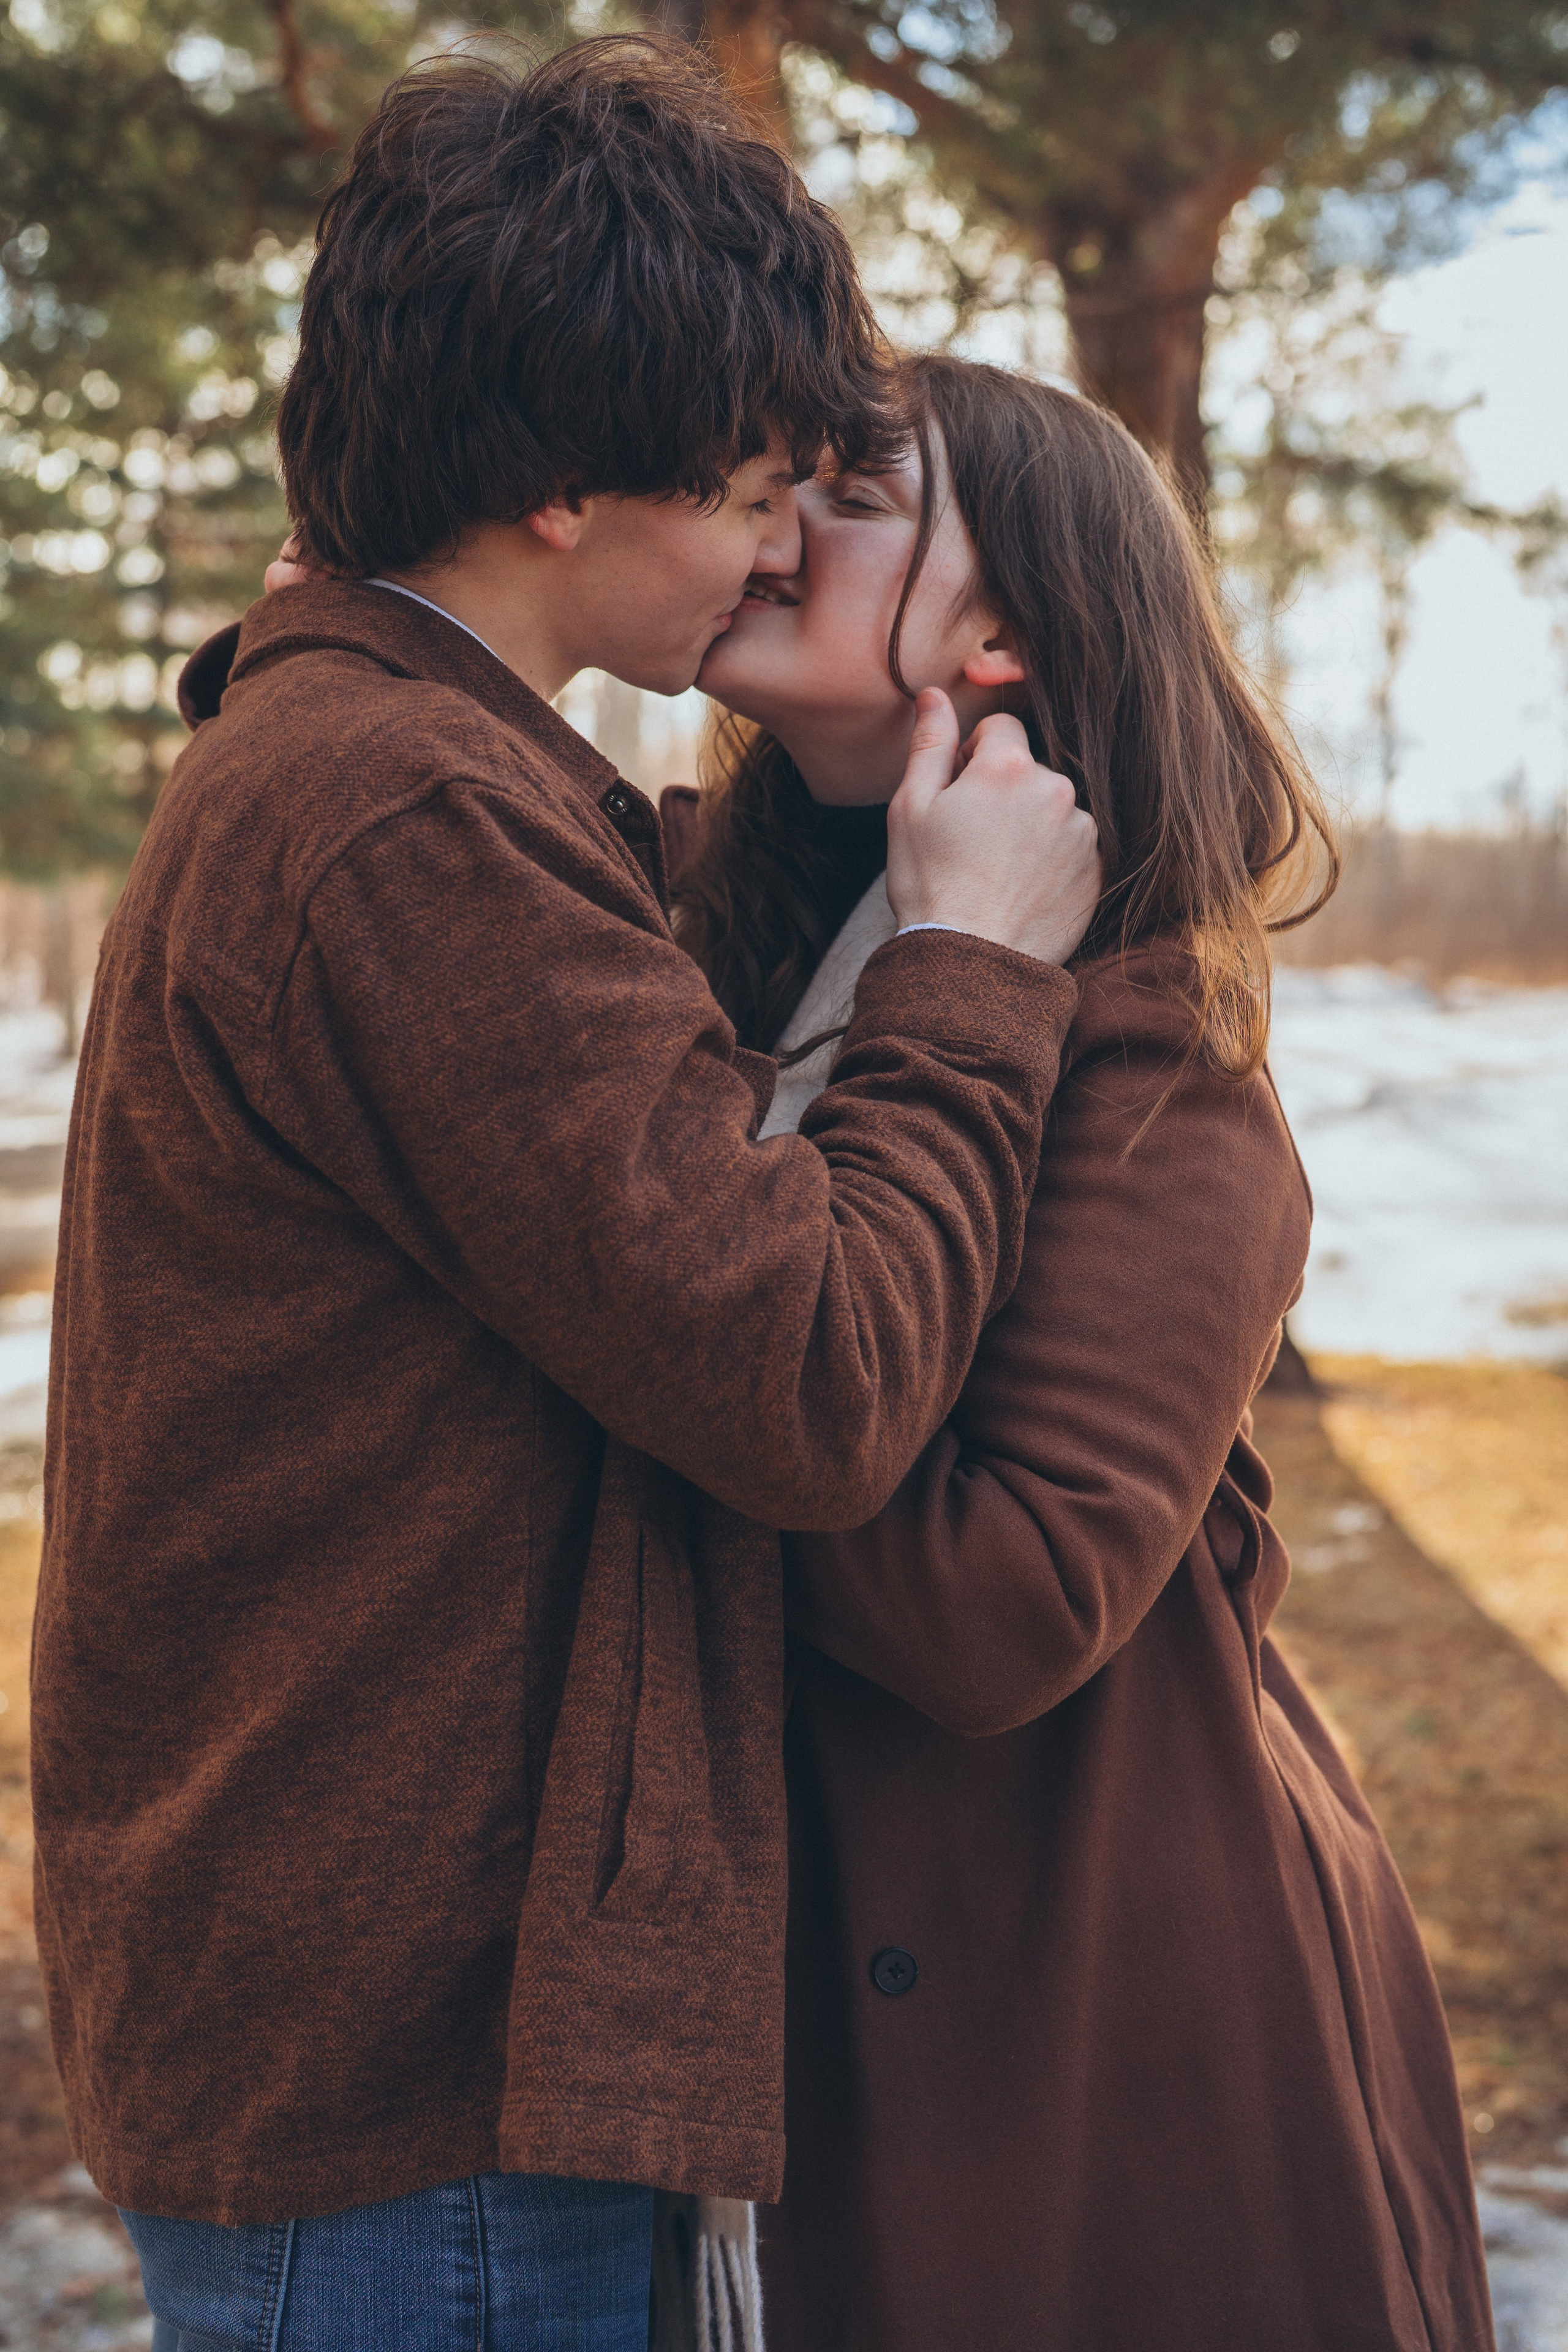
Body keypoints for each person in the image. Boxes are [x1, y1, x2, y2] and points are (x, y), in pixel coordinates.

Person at [29, 49, 1102, 2350]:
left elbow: (593, 1031)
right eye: (741, 484)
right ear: (550, 485)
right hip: (420, 2093)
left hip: (362, 2040)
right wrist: (965, 973)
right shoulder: (404, 820)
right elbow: (812, 1381)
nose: (771, 541)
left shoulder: (374, 770)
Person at [671, 353, 1495, 2350]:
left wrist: (646, 1358)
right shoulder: (720, 941)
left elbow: (1003, 1604)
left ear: (1008, 625)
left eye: (857, 487)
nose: (777, 510)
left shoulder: (1156, 1063)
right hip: (823, 2020)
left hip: (1096, 2023)